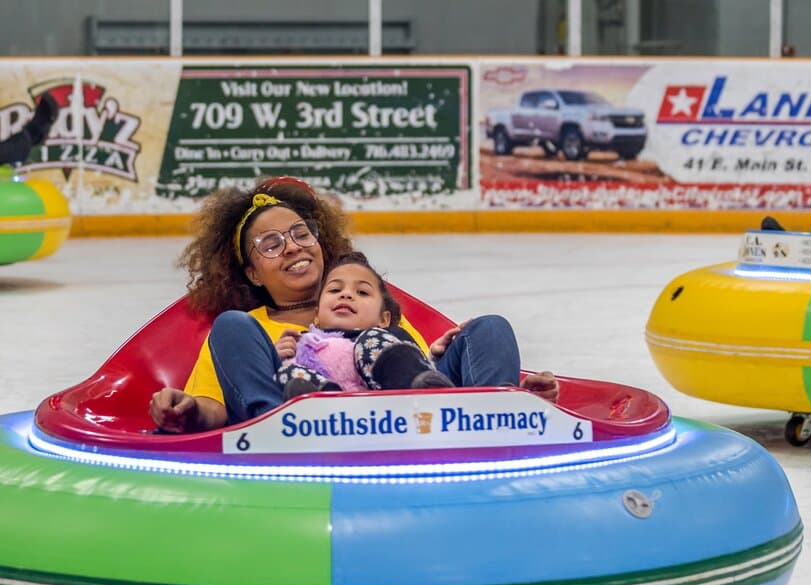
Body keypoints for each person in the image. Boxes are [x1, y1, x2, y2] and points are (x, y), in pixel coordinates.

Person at [149, 176, 559, 434]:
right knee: (230, 324)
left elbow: (416, 367)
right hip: (302, 430)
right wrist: (184, 412)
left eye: (300, 233)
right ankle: (278, 426)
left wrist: (460, 367)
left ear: (320, 242)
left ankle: (503, 416)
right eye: (271, 244)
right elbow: (214, 407)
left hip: (401, 422)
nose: (292, 246)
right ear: (253, 273)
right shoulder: (247, 332)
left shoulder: (361, 298)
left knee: (489, 327)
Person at [275, 251, 454, 399]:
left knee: (372, 342)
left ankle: (428, 394)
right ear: (316, 316)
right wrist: (277, 356)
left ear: (383, 319)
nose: (346, 295)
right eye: (335, 290)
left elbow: (405, 361)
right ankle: (318, 401)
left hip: (392, 409)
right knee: (287, 371)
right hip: (334, 418)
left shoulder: (385, 337)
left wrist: (434, 360)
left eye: (362, 292)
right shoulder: (304, 343)